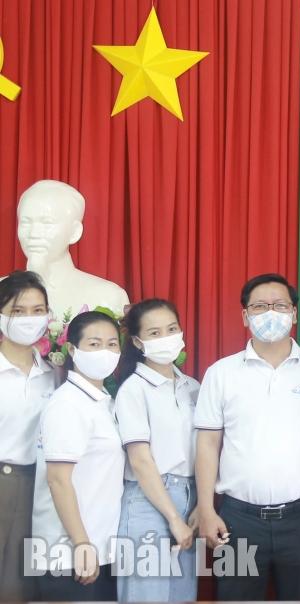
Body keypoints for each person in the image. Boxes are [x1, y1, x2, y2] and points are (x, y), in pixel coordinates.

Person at [194, 273, 300, 601]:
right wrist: (206, 509)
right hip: (237, 521)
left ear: (295, 314)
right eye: (260, 306)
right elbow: (207, 444)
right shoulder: (221, 373)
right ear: (245, 316)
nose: (270, 313)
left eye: (280, 306)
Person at [30, 310, 125, 600]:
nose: (105, 352)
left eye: (112, 344)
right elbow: (58, 480)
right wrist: (82, 544)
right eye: (94, 344)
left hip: (98, 547)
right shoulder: (68, 404)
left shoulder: (102, 402)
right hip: (69, 552)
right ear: (72, 350)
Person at [114, 299, 199, 601]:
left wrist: (200, 505)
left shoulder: (192, 387)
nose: (166, 338)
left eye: (171, 329)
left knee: (181, 596)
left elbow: (205, 448)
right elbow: (140, 460)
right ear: (138, 342)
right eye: (154, 333)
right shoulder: (133, 389)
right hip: (148, 500)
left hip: (189, 497)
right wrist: (173, 518)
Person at [0, 271, 58, 600]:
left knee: (26, 583)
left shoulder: (56, 371)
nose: (28, 319)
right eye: (17, 311)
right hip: (4, 479)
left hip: (43, 486)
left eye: (38, 310)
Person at [15, 179, 130, 315]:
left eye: (47, 223)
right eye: (26, 223)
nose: (33, 234)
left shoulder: (107, 297)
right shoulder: (2, 292)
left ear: (75, 232)